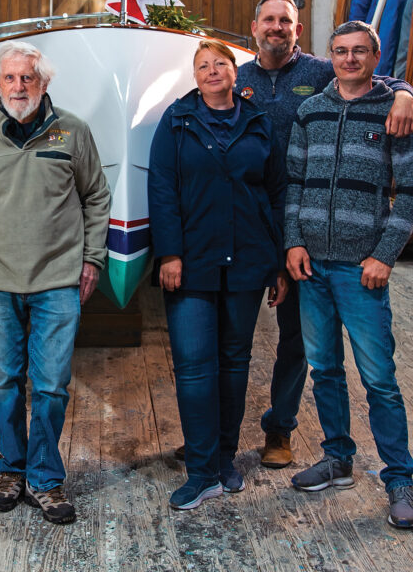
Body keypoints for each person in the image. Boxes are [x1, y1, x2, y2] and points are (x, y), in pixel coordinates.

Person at [233, 0, 413, 470]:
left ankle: (281, 429)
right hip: (253, 220)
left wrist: (406, 94)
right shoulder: (237, 76)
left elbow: (380, 79)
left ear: (298, 30)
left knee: (298, 340)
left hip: (308, 227)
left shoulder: (320, 72)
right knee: (234, 337)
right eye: (268, 20)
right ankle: (216, 434)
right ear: (254, 27)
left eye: (286, 21)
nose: (276, 28)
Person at [0, 42, 111, 525]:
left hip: (57, 281)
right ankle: (11, 467)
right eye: (10, 78)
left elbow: (96, 197)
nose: (18, 87)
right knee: (3, 383)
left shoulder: (72, 131)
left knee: (50, 385)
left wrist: (92, 260)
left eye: (28, 78)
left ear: (44, 83)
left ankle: (44, 478)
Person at [285, 20, 413, 529]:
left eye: (359, 51)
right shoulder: (310, 111)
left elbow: (410, 190)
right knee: (324, 369)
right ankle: (337, 458)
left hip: (362, 270)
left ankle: (399, 479)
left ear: (375, 55)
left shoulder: (392, 110)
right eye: (340, 51)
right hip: (312, 268)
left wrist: (385, 254)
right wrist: (293, 242)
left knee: (379, 380)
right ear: (330, 55)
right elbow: (294, 184)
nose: (349, 59)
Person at [148, 39, 288, 511]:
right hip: (192, 261)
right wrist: (169, 254)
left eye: (220, 64)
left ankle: (226, 461)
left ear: (235, 72)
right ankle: (202, 471)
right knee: (193, 368)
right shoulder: (176, 121)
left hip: (249, 261)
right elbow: (162, 188)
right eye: (203, 66)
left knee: (234, 365)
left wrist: (277, 263)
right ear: (196, 75)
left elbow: (275, 193)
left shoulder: (258, 123)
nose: (212, 71)